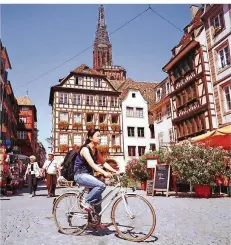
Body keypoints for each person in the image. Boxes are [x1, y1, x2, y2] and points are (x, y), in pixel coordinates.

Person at [74, 128, 120, 226]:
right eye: (98, 136)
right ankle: (86, 202)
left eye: (100, 136)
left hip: (88, 176)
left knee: (98, 200)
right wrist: (105, 173)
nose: (100, 138)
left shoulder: (95, 150)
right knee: (101, 185)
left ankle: (95, 222)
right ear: (91, 138)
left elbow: (103, 163)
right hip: (80, 175)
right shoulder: (85, 149)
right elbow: (93, 165)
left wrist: (115, 171)